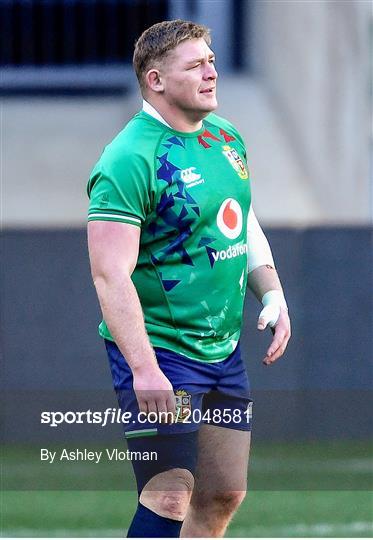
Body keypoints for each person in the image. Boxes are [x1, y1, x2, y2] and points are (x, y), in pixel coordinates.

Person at [87, 19, 291, 538]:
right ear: (155, 80)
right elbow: (110, 274)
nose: (211, 72)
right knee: (170, 492)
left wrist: (272, 291)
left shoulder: (226, 137)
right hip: (163, 354)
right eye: (195, 65)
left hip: (222, 351)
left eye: (213, 60)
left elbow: (239, 218)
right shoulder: (129, 159)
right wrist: (145, 369)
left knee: (223, 492)